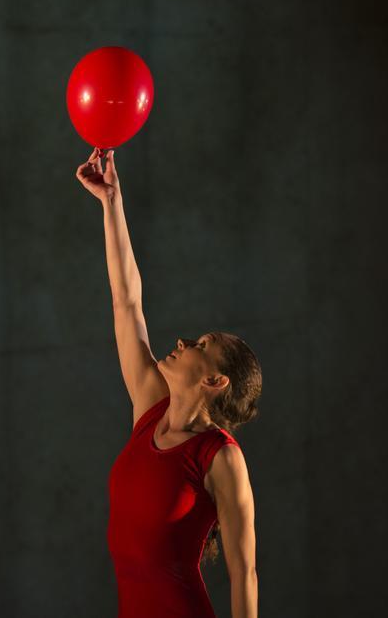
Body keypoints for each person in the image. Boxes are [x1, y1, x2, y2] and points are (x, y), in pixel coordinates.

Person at [76, 147, 262, 618]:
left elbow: (244, 573)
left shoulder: (219, 457)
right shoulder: (149, 406)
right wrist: (111, 203)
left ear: (215, 379)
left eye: (200, 344)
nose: (182, 341)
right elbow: (127, 303)